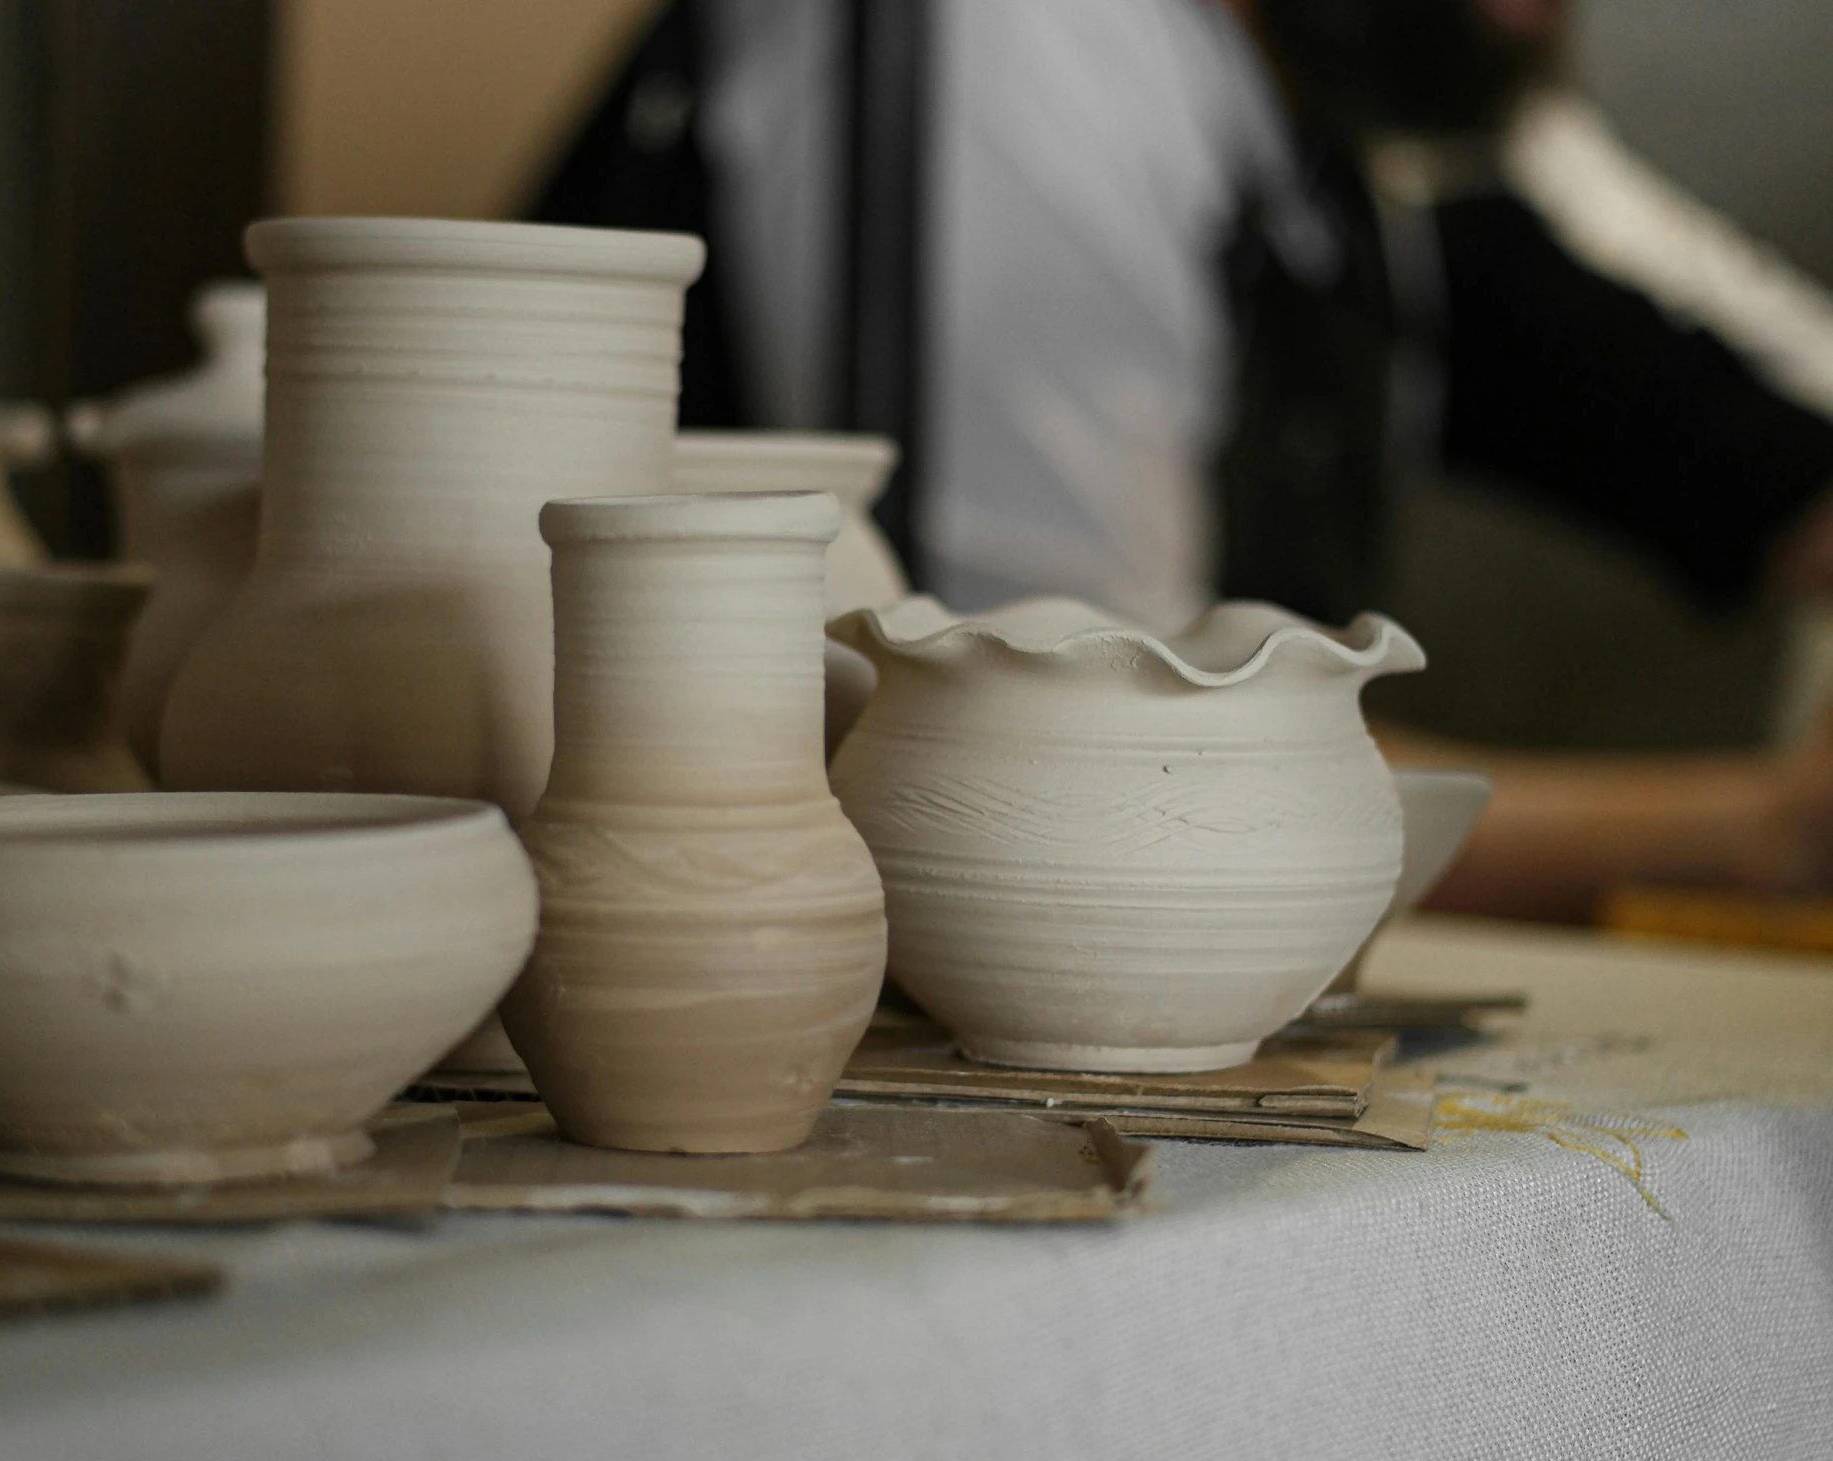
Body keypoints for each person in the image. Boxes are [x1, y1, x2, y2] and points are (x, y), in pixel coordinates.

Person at [534, 0, 1833, 923]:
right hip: (669, 927)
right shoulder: (1019, 53)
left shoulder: (1335, 120)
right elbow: (1077, 782)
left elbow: (1718, 417)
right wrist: (1763, 831)